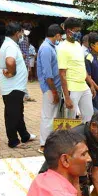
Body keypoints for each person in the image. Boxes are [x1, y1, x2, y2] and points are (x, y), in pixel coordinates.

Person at [39, 110, 98, 196]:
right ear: (93, 125)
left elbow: (97, 169)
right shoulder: (76, 138)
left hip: (78, 174)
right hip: (61, 176)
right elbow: (69, 174)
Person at [0, 22, 36, 149]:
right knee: (12, 114)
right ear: (16, 33)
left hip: (16, 86)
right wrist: (12, 72)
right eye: (20, 32)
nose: (21, 35)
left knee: (18, 112)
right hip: (12, 87)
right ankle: (13, 141)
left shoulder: (10, 44)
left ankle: (24, 135)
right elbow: (10, 61)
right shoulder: (10, 46)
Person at [58, 17, 95, 123]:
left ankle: (86, 139)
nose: (79, 33)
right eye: (76, 30)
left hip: (83, 87)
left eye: (79, 30)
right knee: (70, 121)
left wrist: (90, 84)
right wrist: (67, 97)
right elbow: (62, 74)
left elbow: (82, 67)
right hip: (72, 89)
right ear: (68, 30)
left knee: (89, 118)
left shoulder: (78, 45)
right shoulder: (62, 48)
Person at [37, 24, 63, 154]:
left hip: (55, 86)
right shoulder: (46, 48)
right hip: (50, 87)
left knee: (53, 116)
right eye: (60, 36)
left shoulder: (53, 47)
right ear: (57, 35)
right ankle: (43, 144)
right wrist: (54, 91)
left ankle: (50, 142)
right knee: (48, 116)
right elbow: (48, 75)